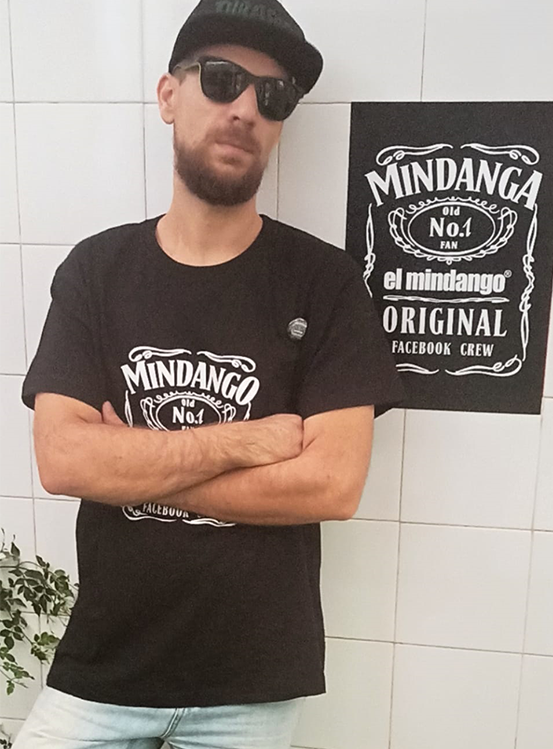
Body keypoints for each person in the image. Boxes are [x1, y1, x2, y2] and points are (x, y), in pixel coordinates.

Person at [15, 0, 404, 747]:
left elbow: (331, 485)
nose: (246, 109)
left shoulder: (325, 283)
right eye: (222, 79)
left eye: (273, 95)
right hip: (102, 669)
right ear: (169, 95)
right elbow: (64, 460)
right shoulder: (97, 270)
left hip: (251, 686)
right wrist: (244, 442)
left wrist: (132, 465)